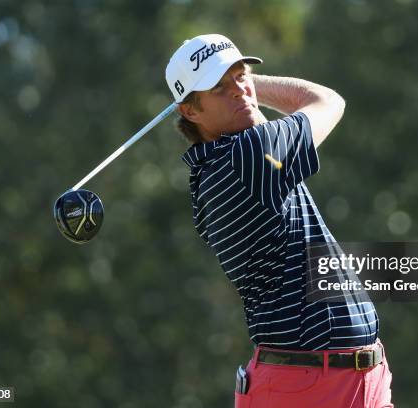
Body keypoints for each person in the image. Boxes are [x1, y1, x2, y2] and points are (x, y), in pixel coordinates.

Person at [165, 34, 394, 408]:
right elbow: (327, 102)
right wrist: (256, 85)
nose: (240, 90)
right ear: (190, 111)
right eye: (220, 88)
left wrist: (239, 89)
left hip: (354, 381)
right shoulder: (247, 157)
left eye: (241, 75)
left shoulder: (232, 161)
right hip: (307, 387)